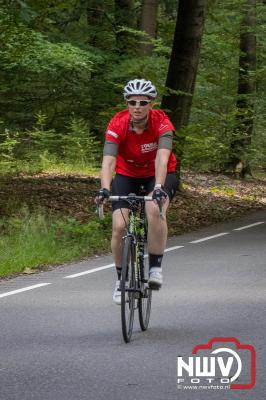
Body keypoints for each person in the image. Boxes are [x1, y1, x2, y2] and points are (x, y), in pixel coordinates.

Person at [96, 79, 178, 305]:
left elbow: (162, 158)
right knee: (119, 226)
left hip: (159, 174)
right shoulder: (118, 123)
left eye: (143, 101)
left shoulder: (162, 122)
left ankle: (155, 268)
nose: (137, 106)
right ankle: (121, 280)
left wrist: (159, 187)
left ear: (151, 103)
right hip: (127, 175)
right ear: (127, 103)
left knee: (153, 208)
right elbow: (109, 161)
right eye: (132, 102)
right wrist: (104, 188)